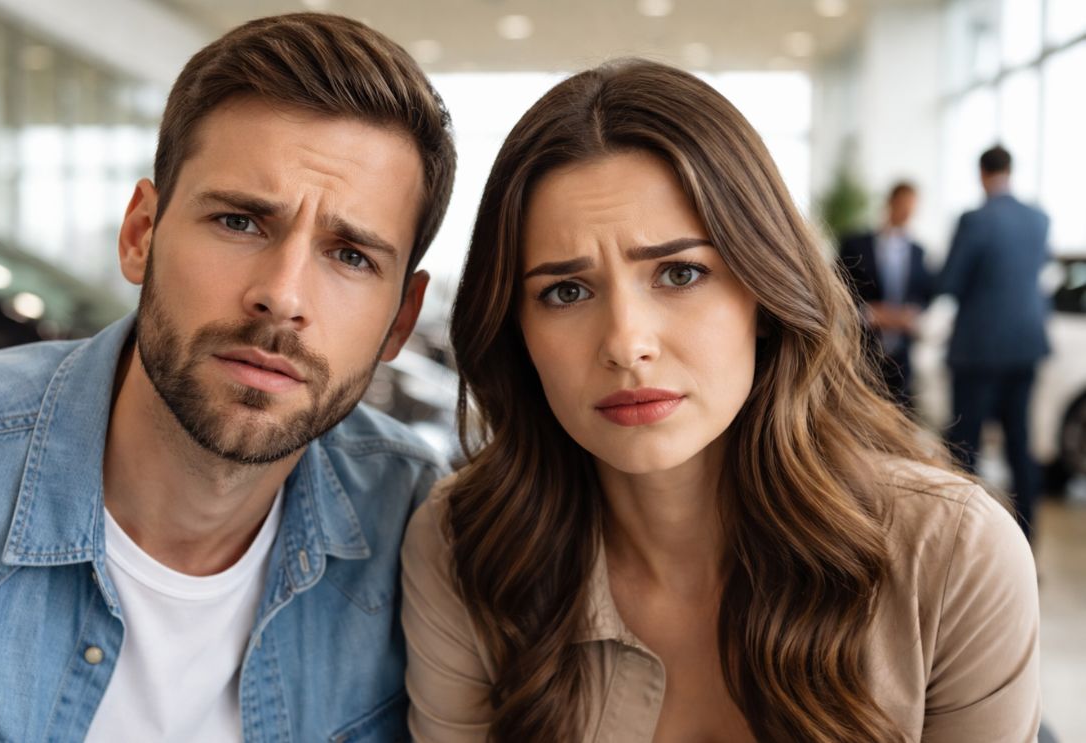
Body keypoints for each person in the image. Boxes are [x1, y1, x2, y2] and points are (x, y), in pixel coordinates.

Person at [0, 13, 455, 741]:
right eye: (239, 222)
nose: (283, 296)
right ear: (141, 234)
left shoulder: (415, 523)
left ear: (400, 320)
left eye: (350, 255)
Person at [401, 61, 1038, 743]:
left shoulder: (952, 556)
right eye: (565, 291)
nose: (625, 343)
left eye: (679, 273)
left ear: (763, 295)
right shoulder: (464, 546)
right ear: (515, 329)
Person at [938, 145, 1051, 541]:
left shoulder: (975, 220)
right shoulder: (1039, 219)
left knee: (965, 449)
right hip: (1025, 346)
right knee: (1019, 444)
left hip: (979, 351)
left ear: (982, 173)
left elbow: (949, 282)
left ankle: (963, 544)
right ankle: (1026, 543)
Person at [838, 181, 935, 408]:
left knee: (901, 413)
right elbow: (838, 286)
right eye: (903, 205)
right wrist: (867, 313)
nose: (907, 213)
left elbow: (925, 293)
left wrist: (910, 315)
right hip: (861, 349)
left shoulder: (919, 252)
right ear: (890, 203)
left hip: (901, 353)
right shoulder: (855, 244)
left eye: (912, 208)